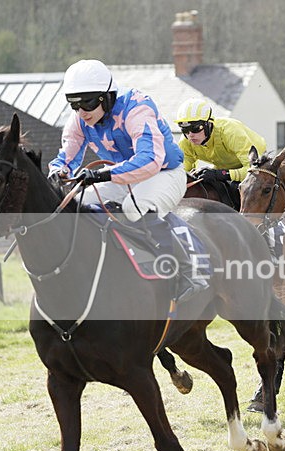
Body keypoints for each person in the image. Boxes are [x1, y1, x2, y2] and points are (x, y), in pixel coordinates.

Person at [48, 59, 207, 300]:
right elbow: (66, 157)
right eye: (74, 104)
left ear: (105, 97)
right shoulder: (80, 120)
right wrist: (58, 171)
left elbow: (150, 159)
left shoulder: (136, 107)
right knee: (79, 200)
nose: (81, 112)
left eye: (87, 103)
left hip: (164, 172)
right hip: (124, 177)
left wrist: (103, 174)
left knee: (135, 207)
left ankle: (185, 269)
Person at [176, 98, 267, 210]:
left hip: (258, 164)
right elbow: (181, 172)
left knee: (242, 189)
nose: (190, 135)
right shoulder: (185, 142)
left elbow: (254, 172)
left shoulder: (230, 132)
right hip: (224, 166)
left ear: (208, 124)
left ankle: (274, 226)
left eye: (196, 128)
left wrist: (221, 174)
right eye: (185, 129)